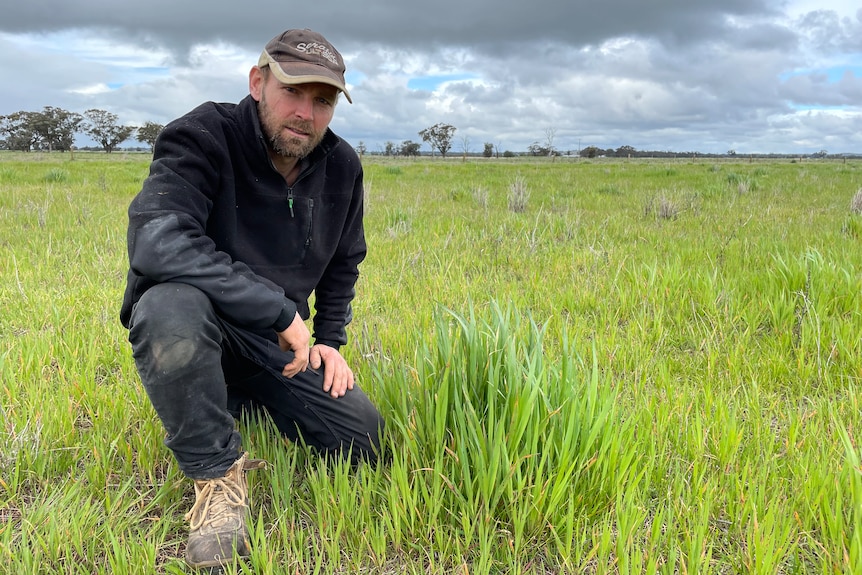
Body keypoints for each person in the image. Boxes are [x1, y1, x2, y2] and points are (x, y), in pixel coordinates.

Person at [119, 28, 384, 570]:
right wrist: (279, 309)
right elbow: (158, 238)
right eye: (293, 92)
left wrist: (331, 341)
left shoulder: (343, 167)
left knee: (361, 440)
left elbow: (343, 263)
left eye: (323, 101)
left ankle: (227, 396)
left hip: (274, 345)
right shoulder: (201, 136)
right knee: (168, 307)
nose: (305, 114)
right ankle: (216, 482)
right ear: (258, 82)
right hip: (203, 322)